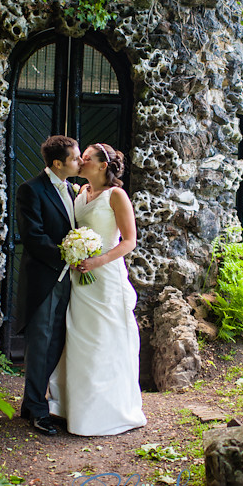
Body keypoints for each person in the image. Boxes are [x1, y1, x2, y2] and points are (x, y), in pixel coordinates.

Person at [48, 142, 147, 436]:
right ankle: (74, 407)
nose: (81, 160)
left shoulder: (117, 195)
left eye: (87, 158)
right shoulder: (80, 192)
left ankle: (108, 411)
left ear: (103, 166)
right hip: (81, 277)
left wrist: (99, 260)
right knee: (79, 339)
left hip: (105, 277)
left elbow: (129, 241)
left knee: (105, 340)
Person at [15, 135, 82, 436]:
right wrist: (67, 255)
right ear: (58, 163)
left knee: (55, 341)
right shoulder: (30, 190)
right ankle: (37, 410)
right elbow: (33, 237)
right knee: (40, 343)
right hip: (44, 277)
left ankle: (33, 403)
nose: (80, 161)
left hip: (68, 278)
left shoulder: (72, 189)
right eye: (75, 157)